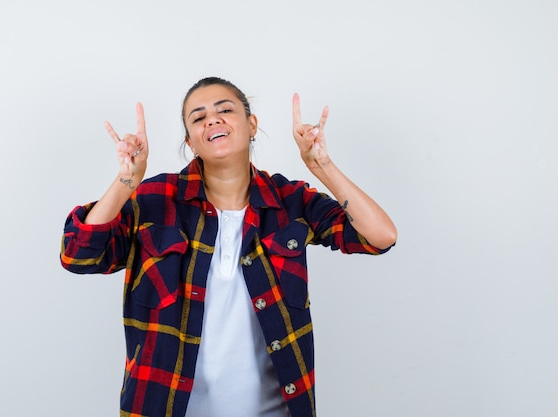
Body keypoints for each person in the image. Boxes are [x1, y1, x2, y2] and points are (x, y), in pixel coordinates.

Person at [60, 76, 397, 417]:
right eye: (198, 117)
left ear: (252, 125)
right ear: (191, 141)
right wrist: (126, 181)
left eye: (225, 109)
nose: (212, 120)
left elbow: (380, 236)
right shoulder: (154, 200)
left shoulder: (289, 201)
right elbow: (78, 254)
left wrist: (320, 164)